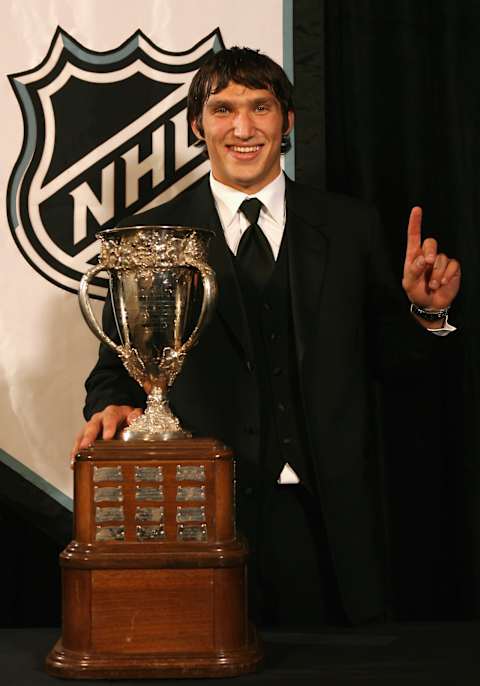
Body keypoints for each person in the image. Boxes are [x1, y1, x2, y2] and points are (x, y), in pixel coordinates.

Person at [73, 47, 461, 628]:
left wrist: (425, 315)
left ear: (288, 122)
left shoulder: (350, 227)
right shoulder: (149, 237)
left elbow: (392, 365)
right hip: (205, 515)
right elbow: (116, 369)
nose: (244, 127)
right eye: (223, 109)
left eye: (261, 106)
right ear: (197, 125)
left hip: (330, 522)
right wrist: (110, 405)